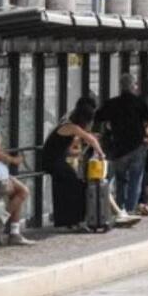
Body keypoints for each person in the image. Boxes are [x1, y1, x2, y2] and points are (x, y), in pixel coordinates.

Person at [0, 95, 35, 256]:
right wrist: (13, 160)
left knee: (19, 191)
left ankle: (11, 230)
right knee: (22, 191)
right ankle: (3, 223)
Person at [95, 74, 148, 214]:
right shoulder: (139, 102)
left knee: (120, 179)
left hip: (119, 148)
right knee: (135, 180)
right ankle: (130, 209)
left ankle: (120, 208)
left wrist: (106, 129)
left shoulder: (112, 103)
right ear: (132, 86)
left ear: (120, 86)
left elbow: (98, 116)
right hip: (137, 146)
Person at [42, 97, 105, 230]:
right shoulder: (71, 127)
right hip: (54, 161)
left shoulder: (68, 126)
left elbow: (64, 148)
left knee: (68, 186)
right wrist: (101, 154)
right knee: (76, 185)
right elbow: (91, 140)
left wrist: (78, 153)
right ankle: (75, 220)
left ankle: (69, 221)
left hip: (54, 159)